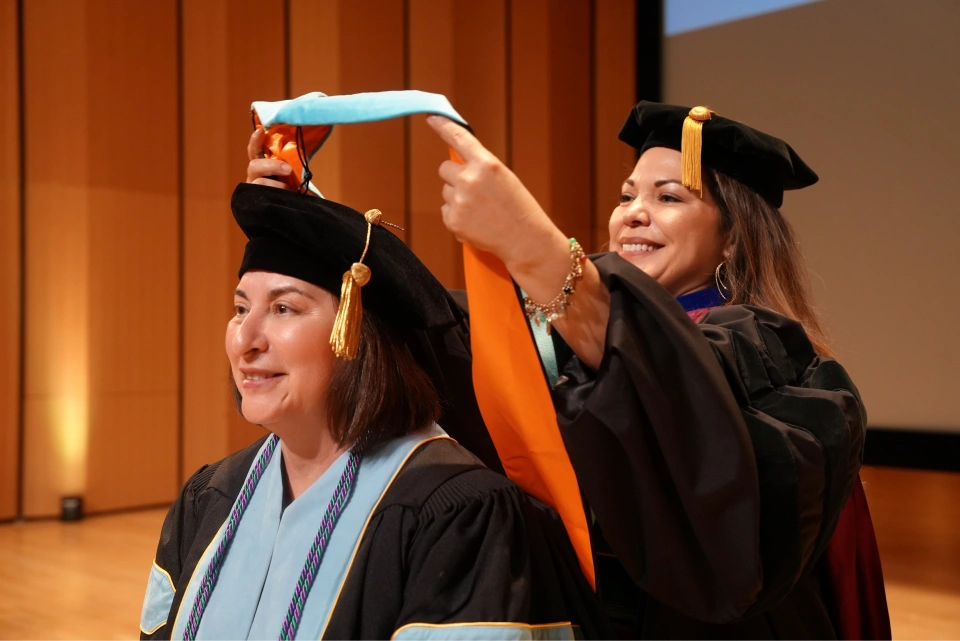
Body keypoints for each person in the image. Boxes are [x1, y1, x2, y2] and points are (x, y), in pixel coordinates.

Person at [421, 102, 890, 639]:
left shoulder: (769, 352)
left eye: (668, 197)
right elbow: (440, 325)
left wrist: (534, 249)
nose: (633, 214)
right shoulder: (562, 330)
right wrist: (313, 222)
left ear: (735, 237)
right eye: (627, 196)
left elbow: (676, 388)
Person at [138, 183, 607, 640]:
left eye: (284, 309)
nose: (245, 340)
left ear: (358, 335)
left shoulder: (458, 514)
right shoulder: (210, 497)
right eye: (241, 309)